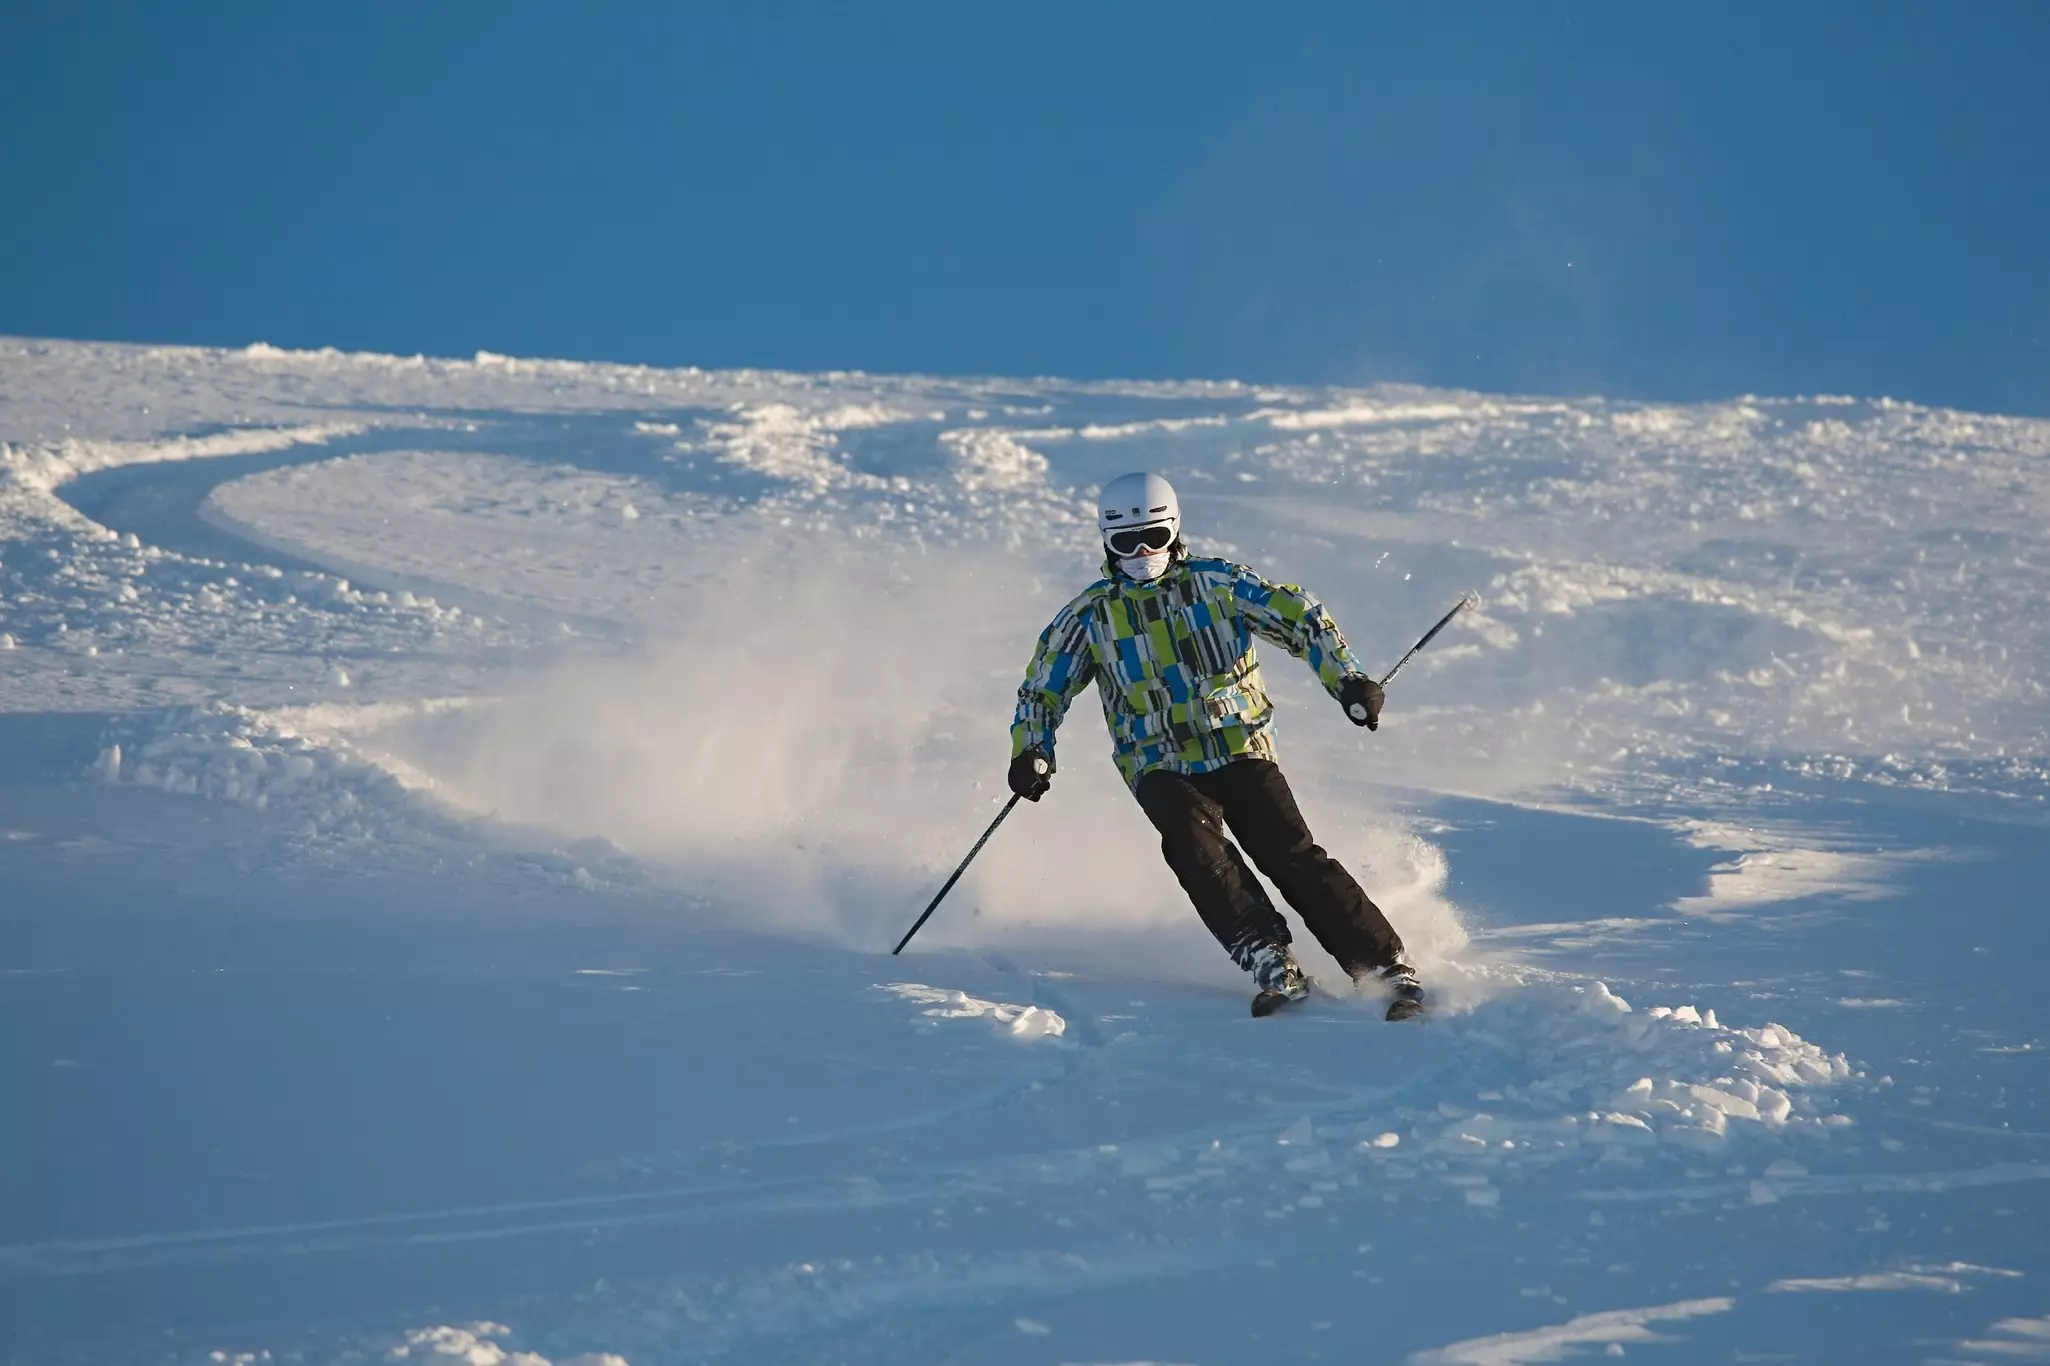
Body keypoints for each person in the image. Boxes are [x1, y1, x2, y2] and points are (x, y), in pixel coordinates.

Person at [1007, 471, 1425, 1020]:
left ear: (1174, 530)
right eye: (1126, 542)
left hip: (1238, 742)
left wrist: (1348, 680)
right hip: (1155, 758)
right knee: (1193, 845)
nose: (1142, 552)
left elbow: (1301, 620)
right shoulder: (1091, 616)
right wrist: (1032, 750)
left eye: (1153, 537)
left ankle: (1382, 965)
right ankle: (1266, 954)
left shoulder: (1219, 584)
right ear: (1107, 542)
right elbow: (1043, 688)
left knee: (1285, 849)